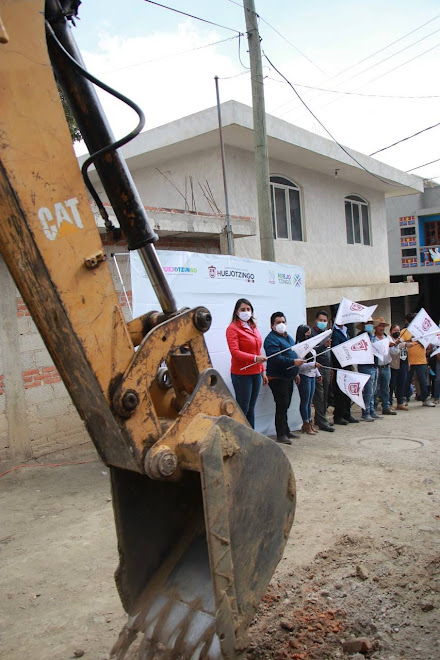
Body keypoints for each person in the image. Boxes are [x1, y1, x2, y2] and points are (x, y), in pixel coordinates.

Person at [226, 298, 267, 428]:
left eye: (248, 309)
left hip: (256, 373)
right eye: (243, 309)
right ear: (236, 312)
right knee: (242, 409)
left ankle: (251, 438)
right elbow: (235, 352)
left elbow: (258, 350)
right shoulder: (232, 328)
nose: (246, 312)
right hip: (242, 374)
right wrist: (255, 359)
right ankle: (239, 438)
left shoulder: (253, 327)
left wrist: (263, 371)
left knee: (251, 409)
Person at [264, 312, 304, 445]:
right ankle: (280, 434)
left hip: (289, 376)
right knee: (281, 405)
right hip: (277, 377)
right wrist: (293, 363)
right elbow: (276, 359)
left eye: (283, 322)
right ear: (272, 325)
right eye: (278, 322)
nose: (281, 324)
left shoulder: (288, 337)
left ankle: (286, 430)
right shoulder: (271, 339)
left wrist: (296, 371)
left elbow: (293, 352)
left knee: (286, 404)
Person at [401, 312, 436, 407]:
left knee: (423, 381)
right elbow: (400, 344)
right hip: (408, 361)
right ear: (408, 321)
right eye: (411, 319)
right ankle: (404, 398)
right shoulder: (404, 331)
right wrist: (410, 340)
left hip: (421, 360)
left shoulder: (423, 331)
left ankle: (425, 399)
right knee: (407, 381)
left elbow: (428, 345)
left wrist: (422, 341)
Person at [331, 321, 359, 425]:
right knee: (339, 392)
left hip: (348, 364)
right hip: (339, 366)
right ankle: (338, 416)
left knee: (347, 391)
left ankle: (347, 413)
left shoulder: (346, 331)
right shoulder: (334, 332)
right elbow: (336, 349)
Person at [311, 310, 334, 432]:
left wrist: (330, 367)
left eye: (325, 321)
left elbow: (328, 352)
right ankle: (321, 421)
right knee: (319, 396)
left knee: (325, 395)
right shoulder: (312, 333)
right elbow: (312, 352)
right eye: (321, 320)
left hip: (326, 367)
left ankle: (321, 418)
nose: (323, 323)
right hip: (317, 368)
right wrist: (323, 346)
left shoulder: (327, 333)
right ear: (316, 320)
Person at [296, 325, 321, 435]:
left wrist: (318, 374)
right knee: (305, 401)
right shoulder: (298, 347)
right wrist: (313, 365)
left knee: (310, 402)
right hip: (304, 376)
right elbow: (300, 366)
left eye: (309, 333)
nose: (309, 335)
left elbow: (314, 362)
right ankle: (305, 423)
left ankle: (309, 423)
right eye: (307, 333)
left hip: (312, 376)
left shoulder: (310, 346)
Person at [356, 317, 381, 422]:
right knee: (368, 390)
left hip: (374, 365)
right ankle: (366, 412)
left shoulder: (372, 336)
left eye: (371, 323)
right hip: (365, 365)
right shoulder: (360, 336)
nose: (369, 325)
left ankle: (371, 410)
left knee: (373, 390)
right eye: (367, 323)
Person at [373, 317, 396, 415]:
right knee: (375, 389)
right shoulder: (373, 338)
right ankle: (373, 407)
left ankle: (386, 407)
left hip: (386, 366)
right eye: (380, 326)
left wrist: (395, 345)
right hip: (376, 367)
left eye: (383, 326)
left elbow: (394, 352)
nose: (382, 328)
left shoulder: (388, 338)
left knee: (386, 388)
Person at [389, 324, 409, 411]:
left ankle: (400, 402)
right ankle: (389, 403)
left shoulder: (402, 339)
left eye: (398, 331)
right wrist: (402, 344)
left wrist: (408, 363)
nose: (396, 332)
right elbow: (393, 350)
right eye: (394, 330)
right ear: (390, 331)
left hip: (403, 363)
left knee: (402, 384)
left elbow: (406, 351)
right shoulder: (389, 340)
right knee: (392, 385)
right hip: (393, 365)